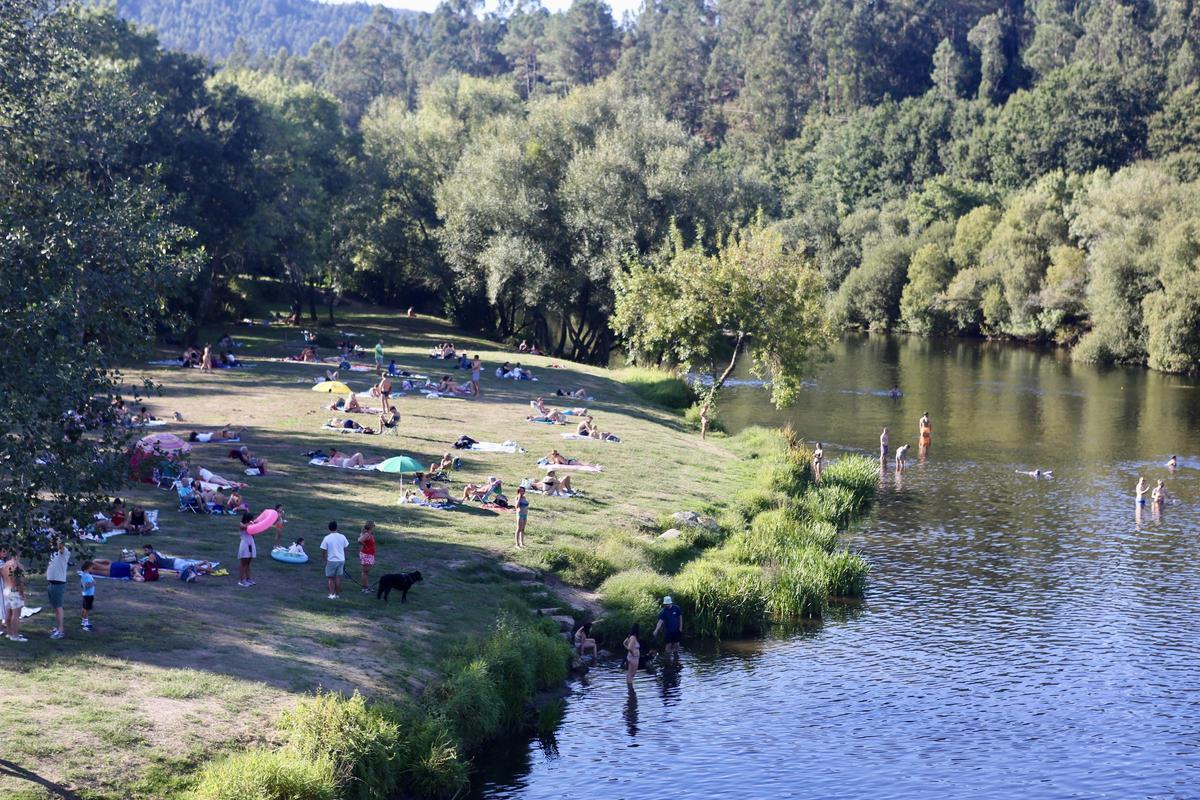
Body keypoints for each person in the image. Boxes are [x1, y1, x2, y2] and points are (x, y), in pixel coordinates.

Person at [46, 535, 70, 639]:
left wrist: (55, 534)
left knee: (58, 607)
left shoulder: (64, 552)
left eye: (54, 541)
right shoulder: (53, 553)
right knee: (55, 607)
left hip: (58, 583)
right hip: (51, 583)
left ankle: (60, 630)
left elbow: (61, 545)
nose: (52, 543)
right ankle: (58, 627)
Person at [2, 551, 27, 642]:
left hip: (6, 590)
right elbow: (18, 581)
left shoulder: (5, 565)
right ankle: (15, 635)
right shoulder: (18, 565)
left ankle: (9, 633)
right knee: (16, 615)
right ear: (18, 553)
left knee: (8, 614)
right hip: (14, 591)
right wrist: (22, 592)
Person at [321, 521, 349, 599]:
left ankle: (331, 594)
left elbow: (324, 550)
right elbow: (346, 547)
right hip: (341, 560)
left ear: (329, 528)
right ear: (337, 527)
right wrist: (345, 557)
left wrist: (324, 559)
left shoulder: (327, 538)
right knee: (338, 577)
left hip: (331, 560)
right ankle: (337, 594)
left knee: (331, 578)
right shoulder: (342, 536)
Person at [237, 512, 258, 587]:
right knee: (243, 564)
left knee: (248, 563)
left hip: (251, 544)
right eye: (251, 519)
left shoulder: (251, 525)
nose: (252, 520)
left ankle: (248, 579)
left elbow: (253, 534)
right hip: (244, 545)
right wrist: (252, 524)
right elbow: (244, 527)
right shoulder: (241, 524)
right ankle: (241, 580)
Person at [358, 521, 376, 594]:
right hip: (366, 555)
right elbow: (359, 540)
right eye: (373, 527)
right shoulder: (367, 534)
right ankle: (364, 588)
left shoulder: (369, 534)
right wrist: (365, 546)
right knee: (365, 572)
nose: (374, 528)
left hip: (369, 554)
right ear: (371, 527)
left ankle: (366, 586)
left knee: (366, 572)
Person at [79, 560, 95, 631]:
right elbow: (87, 586)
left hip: (85, 594)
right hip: (89, 595)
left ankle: (83, 622)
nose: (92, 569)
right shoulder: (88, 576)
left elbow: (82, 586)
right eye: (92, 567)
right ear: (88, 568)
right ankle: (85, 625)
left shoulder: (83, 575)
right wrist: (93, 583)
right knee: (87, 610)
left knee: (84, 608)